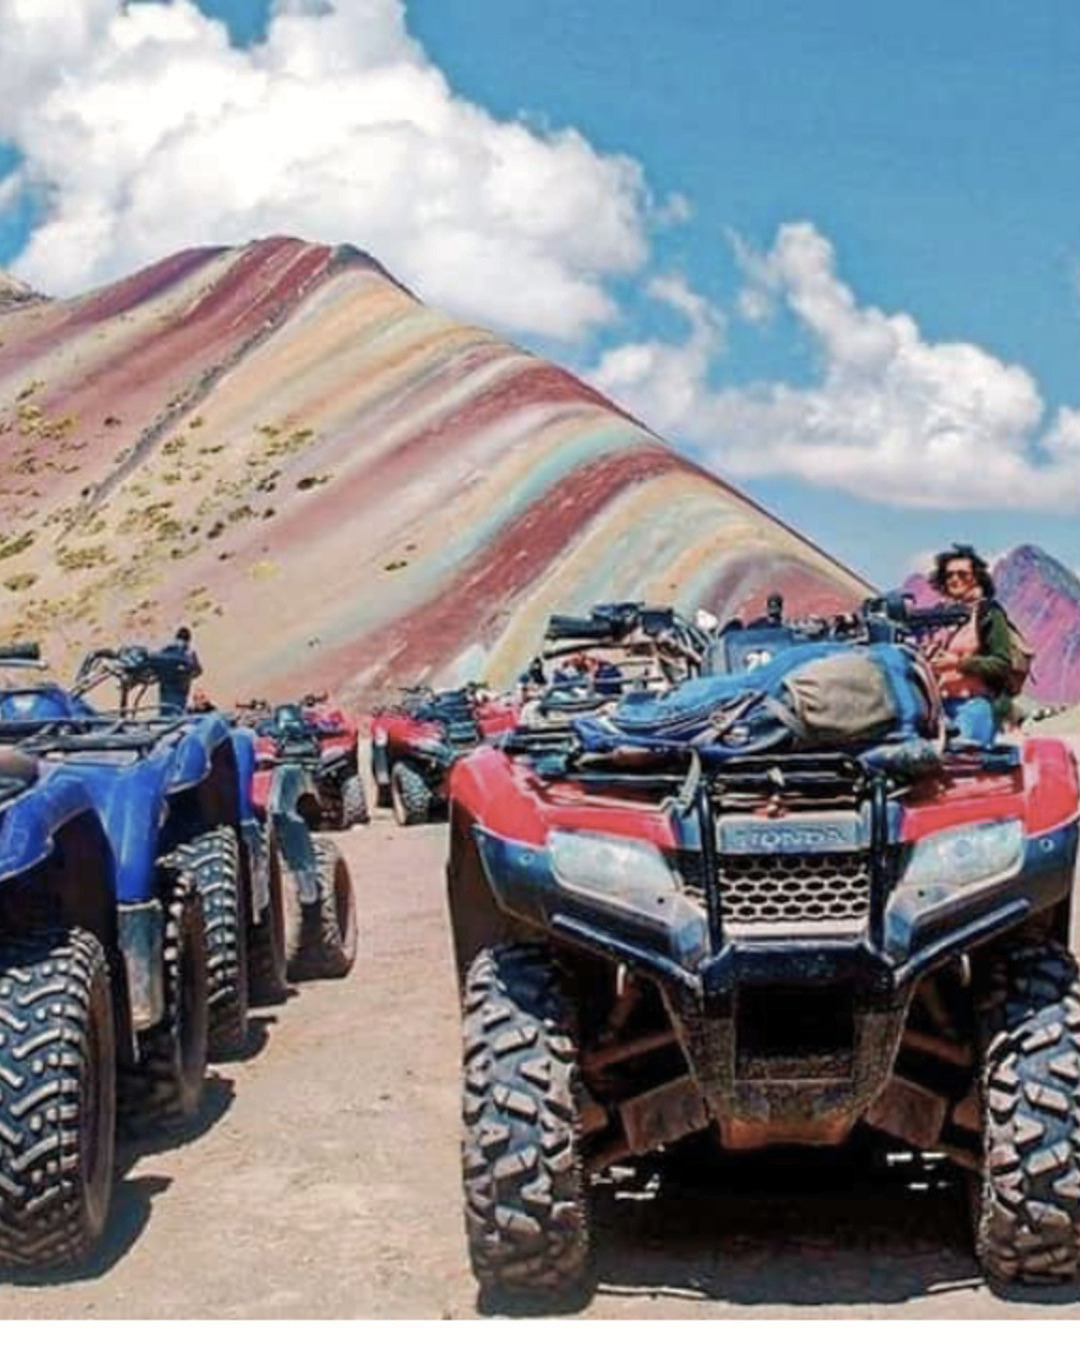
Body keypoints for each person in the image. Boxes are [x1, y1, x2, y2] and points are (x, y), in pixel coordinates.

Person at [924, 545, 1012, 748]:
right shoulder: (939, 616)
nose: (954, 579)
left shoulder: (988, 613)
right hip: (939, 711)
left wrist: (958, 663)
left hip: (972, 708)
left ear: (976, 577)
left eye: (962, 574)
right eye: (949, 575)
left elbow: (1001, 664)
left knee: (966, 768)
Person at [158, 625, 203, 715]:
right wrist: (188, 674)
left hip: (166, 689)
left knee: (165, 714)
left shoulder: (167, 650)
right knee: (176, 714)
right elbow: (198, 671)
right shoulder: (189, 653)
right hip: (180, 690)